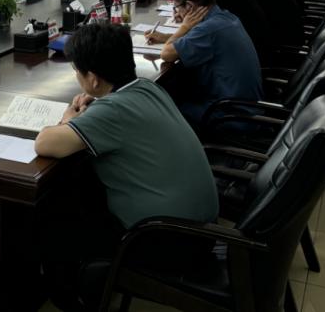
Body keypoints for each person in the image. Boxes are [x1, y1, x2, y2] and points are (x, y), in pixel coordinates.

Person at [34, 23, 218, 307]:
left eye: (77, 70)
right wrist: (94, 110)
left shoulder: (112, 111)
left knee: (55, 217)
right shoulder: (147, 87)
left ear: (93, 79)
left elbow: (45, 143)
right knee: (84, 185)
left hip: (167, 240)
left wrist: (70, 119)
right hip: (201, 226)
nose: (77, 76)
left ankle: (72, 299)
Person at [146, 0, 263, 124]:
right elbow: (198, 38)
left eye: (176, 7)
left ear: (189, 6)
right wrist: (165, 37)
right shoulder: (225, 17)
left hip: (228, 115)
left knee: (159, 111)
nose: (177, 13)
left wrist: (184, 27)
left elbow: (166, 54)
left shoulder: (208, 30)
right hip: (246, 107)